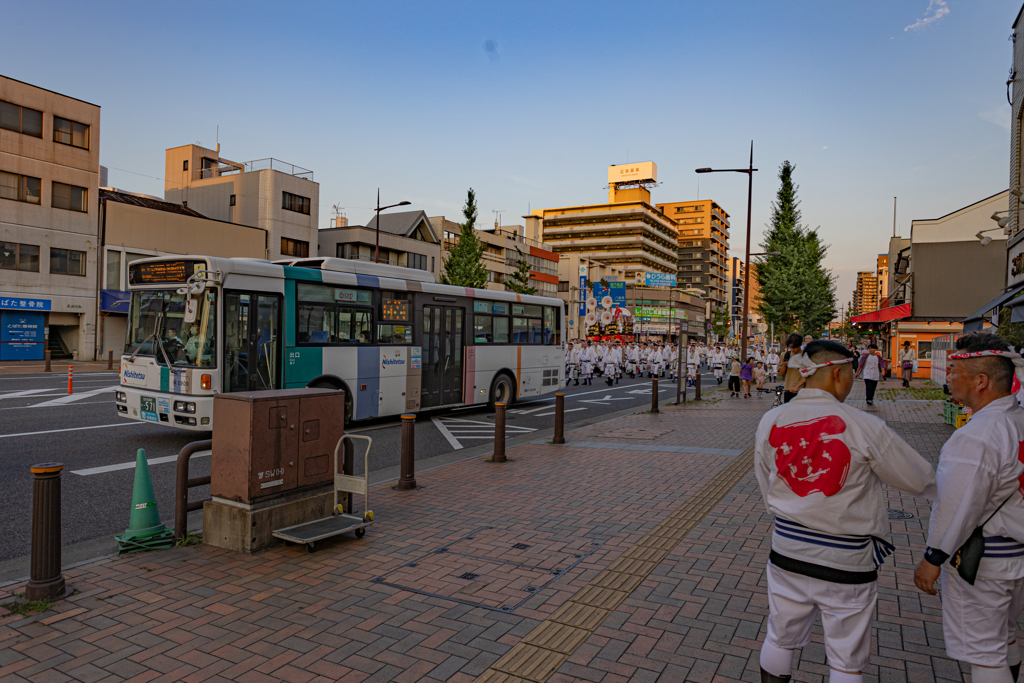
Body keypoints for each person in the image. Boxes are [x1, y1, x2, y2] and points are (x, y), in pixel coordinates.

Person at [755, 340, 936, 683]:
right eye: (852, 373)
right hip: (845, 559)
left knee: (780, 635)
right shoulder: (862, 425)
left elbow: (766, 480)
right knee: (845, 655)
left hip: (788, 548)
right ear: (838, 373)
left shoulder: (772, 419)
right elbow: (918, 479)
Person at [913, 333, 1024, 683]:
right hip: (1016, 553)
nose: (948, 376)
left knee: (984, 654)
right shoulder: (1017, 420)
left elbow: (957, 506)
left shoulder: (978, 435)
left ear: (981, 381)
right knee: (1004, 637)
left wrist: (933, 557)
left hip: (985, 562)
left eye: (955, 370)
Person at [779, 333, 811, 404]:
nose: (792, 349)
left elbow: (808, 375)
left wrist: (797, 386)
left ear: (799, 345)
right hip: (788, 389)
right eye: (790, 347)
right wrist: (784, 365)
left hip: (801, 390)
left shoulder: (805, 356)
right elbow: (781, 373)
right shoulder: (785, 355)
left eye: (794, 347)